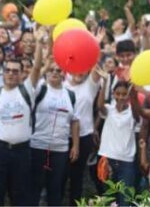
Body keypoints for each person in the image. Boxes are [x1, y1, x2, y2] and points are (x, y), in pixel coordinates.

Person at [0, 44, 43, 206]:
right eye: (7, 70)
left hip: (22, 151)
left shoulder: (27, 90)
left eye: (15, 71)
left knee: (20, 194)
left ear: (22, 74)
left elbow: (36, 68)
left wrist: (40, 42)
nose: (10, 74)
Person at [28, 59, 81, 207]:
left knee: (55, 189)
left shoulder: (70, 95)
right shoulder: (40, 89)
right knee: (34, 188)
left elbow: (75, 121)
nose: (55, 73)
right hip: (38, 146)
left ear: (63, 74)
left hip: (60, 149)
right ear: (47, 72)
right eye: (52, 70)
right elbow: (35, 74)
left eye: (58, 70)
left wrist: (75, 146)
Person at [96, 79, 140, 206]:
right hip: (107, 159)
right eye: (118, 94)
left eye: (124, 94)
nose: (121, 97)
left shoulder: (133, 111)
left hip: (126, 162)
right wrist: (104, 82)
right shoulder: (109, 109)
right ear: (113, 94)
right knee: (108, 199)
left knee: (125, 200)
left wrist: (133, 95)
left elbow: (138, 116)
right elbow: (100, 106)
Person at [65, 63, 103, 204]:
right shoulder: (62, 85)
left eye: (83, 68)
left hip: (84, 136)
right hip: (63, 136)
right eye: (76, 68)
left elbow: (94, 63)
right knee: (61, 174)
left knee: (77, 175)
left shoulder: (90, 85)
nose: (79, 71)